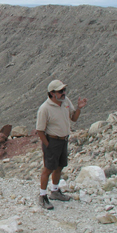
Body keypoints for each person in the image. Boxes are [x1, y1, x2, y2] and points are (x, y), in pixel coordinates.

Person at [36, 80, 87, 210]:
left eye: (64, 90)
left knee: (59, 167)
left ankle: (55, 191)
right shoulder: (45, 108)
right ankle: (42, 196)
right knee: (48, 169)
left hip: (63, 140)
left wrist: (79, 108)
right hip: (52, 141)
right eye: (60, 91)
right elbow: (40, 131)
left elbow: (73, 118)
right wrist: (48, 145)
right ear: (52, 93)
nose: (64, 93)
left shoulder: (65, 102)